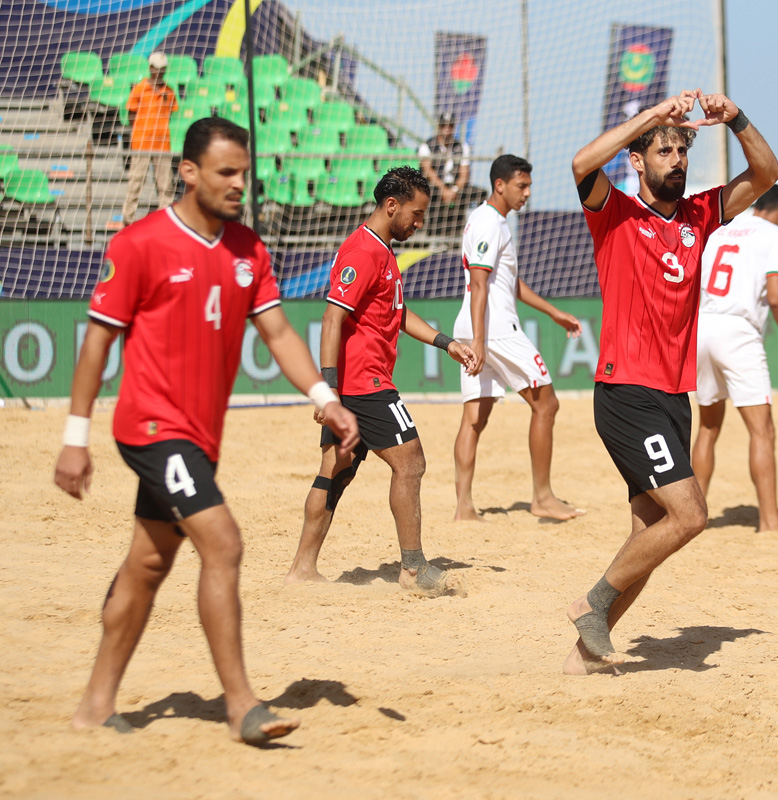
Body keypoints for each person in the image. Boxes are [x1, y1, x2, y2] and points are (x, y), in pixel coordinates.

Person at [54, 117, 359, 744]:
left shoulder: (249, 249)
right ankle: (243, 705)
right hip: (149, 427)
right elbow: (96, 344)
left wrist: (326, 396)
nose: (238, 184)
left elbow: (276, 333)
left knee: (147, 562)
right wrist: (75, 435)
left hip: (198, 439)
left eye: (243, 173)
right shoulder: (140, 244)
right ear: (188, 172)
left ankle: (94, 704)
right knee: (222, 543)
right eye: (226, 172)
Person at [565, 88, 778, 673]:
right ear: (638, 162)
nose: (676, 160)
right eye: (663, 152)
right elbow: (582, 163)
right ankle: (592, 605)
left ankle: (582, 659)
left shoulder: (698, 214)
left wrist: (735, 118)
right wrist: (654, 116)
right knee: (690, 516)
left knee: (650, 534)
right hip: (626, 390)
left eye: (681, 152)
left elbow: (767, 172)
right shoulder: (614, 212)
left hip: (671, 395)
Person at [285, 167, 476, 592]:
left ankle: (302, 569)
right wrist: (329, 390)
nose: (420, 222)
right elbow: (332, 318)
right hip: (364, 383)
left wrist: (447, 343)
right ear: (392, 206)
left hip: (356, 383)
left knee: (336, 468)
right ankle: (413, 569)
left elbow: (398, 313)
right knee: (411, 462)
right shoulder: (363, 252)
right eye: (417, 213)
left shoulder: (383, 250)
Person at [451, 154, 586, 522]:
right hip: (493, 331)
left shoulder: (488, 221)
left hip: (478, 329)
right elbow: (479, 283)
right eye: (521, 186)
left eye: (529, 186)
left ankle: (464, 508)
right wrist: (479, 341)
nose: (527, 193)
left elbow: (506, 282)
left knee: (474, 419)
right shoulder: (490, 222)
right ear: (500, 185)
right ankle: (542, 498)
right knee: (547, 404)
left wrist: (552, 312)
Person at [691, 184, 778, 533]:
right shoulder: (777, 235)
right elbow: (777, 296)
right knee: (762, 431)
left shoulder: (722, 229)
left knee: (708, 427)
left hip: (702, 326)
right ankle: (770, 523)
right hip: (738, 332)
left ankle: (692, 516)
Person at [122, 51, 178, 227]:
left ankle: (165, 221)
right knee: (135, 183)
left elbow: (169, 114)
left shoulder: (169, 92)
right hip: (142, 144)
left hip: (162, 144)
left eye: (163, 69)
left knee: (165, 186)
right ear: (150, 68)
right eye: (157, 69)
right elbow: (131, 114)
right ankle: (128, 220)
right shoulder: (140, 88)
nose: (160, 72)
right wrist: (140, 133)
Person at [417, 112, 485, 238]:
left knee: (481, 193)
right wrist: (443, 189)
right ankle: (431, 233)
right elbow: (428, 172)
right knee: (425, 194)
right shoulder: (427, 146)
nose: (447, 130)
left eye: (450, 126)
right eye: (443, 126)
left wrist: (454, 189)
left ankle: (478, 232)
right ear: (439, 127)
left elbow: (464, 174)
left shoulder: (462, 147)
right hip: (435, 188)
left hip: (455, 188)